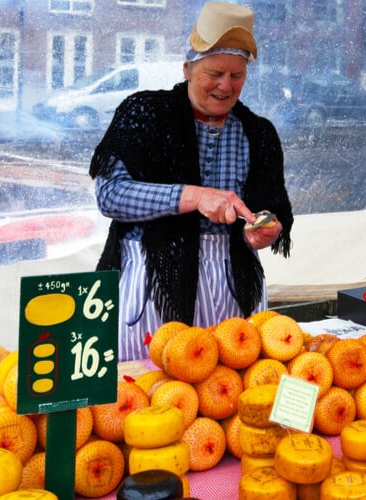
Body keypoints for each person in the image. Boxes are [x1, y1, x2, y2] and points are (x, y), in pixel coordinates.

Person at [89, 1, 293, 362]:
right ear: (187, 68)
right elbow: (110, 195)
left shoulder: (258, 133)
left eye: (237, 75)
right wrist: (191, 196)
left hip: (232, 284)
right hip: (151, 280)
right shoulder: (145, 113)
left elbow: (271, 211)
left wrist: (264, 230)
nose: (225, 85)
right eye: (215, 72)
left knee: (226, 393)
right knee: (147, 389)